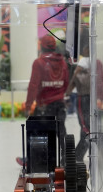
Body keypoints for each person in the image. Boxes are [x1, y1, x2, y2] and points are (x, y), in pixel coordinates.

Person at [17, 35, 70, 166]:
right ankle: (66, 158)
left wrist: (28, 106)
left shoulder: (39, 63)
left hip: (44, 106)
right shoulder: (63, 62)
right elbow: (66, 83)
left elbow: (33, 85)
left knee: (36, 131)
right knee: (61, 131)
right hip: (60, 104)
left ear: (42, 46)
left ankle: (33, 160)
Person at [65, 45, 91, 161]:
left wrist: (67, 93)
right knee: (89, 125)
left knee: (85, 126)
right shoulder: (97, 61)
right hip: (93, 97)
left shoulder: (84, 60)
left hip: (83, 97)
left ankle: (78, 155)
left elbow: (75, 76)